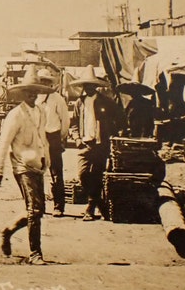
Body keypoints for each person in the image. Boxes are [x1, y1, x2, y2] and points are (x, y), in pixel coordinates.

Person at [0, 67, 53, 265]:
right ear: (22, 93)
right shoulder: (15, 115)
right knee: (34, 210)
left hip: (38, 165)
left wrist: (48, 161)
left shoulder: (41, 112)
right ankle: (35, 253)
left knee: (38, 210)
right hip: (22, 167)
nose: (32, 95)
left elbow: (44, 139)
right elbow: (3, 143)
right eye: (29, 91)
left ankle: (8, 230)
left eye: (35, 91)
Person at [69, 65, 122, 221]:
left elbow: (119, 118)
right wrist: (77, 138)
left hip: (101, 144)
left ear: (96, 86)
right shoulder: (80, 102)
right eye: (86, 85)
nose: (89, 88)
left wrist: (112, 133)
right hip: (85, 143)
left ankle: (90, 208)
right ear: (83, 86)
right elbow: (73, 123)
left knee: (97, 175)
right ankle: (100, 205)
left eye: (92, 85)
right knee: (83, 174)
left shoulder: (106, 101)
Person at [36, 68, 70, 216]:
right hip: (38, 139)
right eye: (42, 81)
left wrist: (60, 138)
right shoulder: (35, 98)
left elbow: (65, 121)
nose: (44, 84)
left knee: (56, 172)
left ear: (50, 84)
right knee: (37, 172)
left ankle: (58, 206)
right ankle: (39, 206)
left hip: (53, 137)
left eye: (47, 82)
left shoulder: (57, 99)